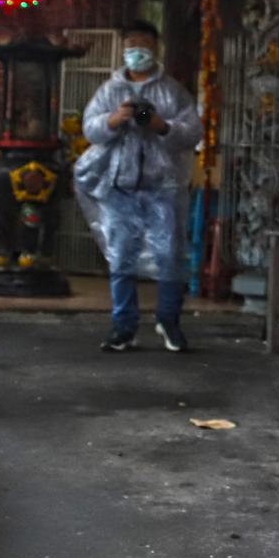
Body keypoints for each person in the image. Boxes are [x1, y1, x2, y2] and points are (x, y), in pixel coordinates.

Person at [76, 20, 200, 353]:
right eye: (130, 45)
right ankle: (123, 327)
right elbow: (91, 129)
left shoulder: (173, 91)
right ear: (122, 49)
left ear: (156, 47)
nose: (136, 52)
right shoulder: (110, 90)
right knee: (121, 257)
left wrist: (161, 126)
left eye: (143, 44)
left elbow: (192, 133)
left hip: (164, 187)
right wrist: (114, 120)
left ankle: (169, 321)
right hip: (120, 187)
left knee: (169, 255)